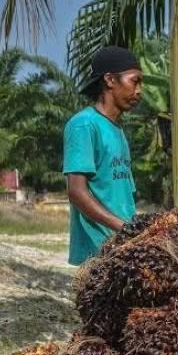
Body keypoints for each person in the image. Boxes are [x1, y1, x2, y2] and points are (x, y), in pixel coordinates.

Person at [63, 46, 143, 265]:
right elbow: (77, 193)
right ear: (110, 80)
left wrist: (136, 230)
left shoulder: (117, 131)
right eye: (135, 81)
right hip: (99, 253)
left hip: (124, 247)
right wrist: (124, 228)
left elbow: (124, 195)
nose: (139, 91)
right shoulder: (84, 125)